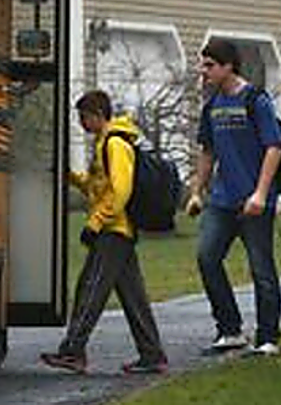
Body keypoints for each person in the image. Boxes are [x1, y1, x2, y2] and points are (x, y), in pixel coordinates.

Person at [41, 90, 168, 375]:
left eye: (84, 117)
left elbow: (121, 190)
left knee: (90, 289)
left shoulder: (115, 144)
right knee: (133, 297)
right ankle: (152, 355)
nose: (81, 123)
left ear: (98, 114)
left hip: (113, 231)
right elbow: (97, 187)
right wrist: (71, 177)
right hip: (117, 231)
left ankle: (72, 351)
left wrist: (96, 223)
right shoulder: (104, 143)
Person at [185, 38, 281, 356]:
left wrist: (261, 193)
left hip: (254, 202)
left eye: (210, 65)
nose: (204, 71)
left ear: (228, 66)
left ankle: (268, 337)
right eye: (203, 65)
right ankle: (229, 330)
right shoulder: (212, 106)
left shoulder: (256, 100)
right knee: (207, 257)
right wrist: (197, 192)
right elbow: (208, 150)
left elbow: (274, 147)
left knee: (261, 269)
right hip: (222, 200)